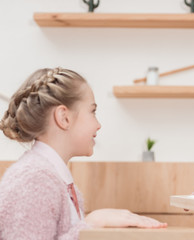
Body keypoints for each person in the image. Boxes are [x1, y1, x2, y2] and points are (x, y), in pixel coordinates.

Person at [0, 68, 167, 239]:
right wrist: (92, 224)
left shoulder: (52, 178)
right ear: (64, 118)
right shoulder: (33, 180)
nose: (98, 124)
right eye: (92, 111)